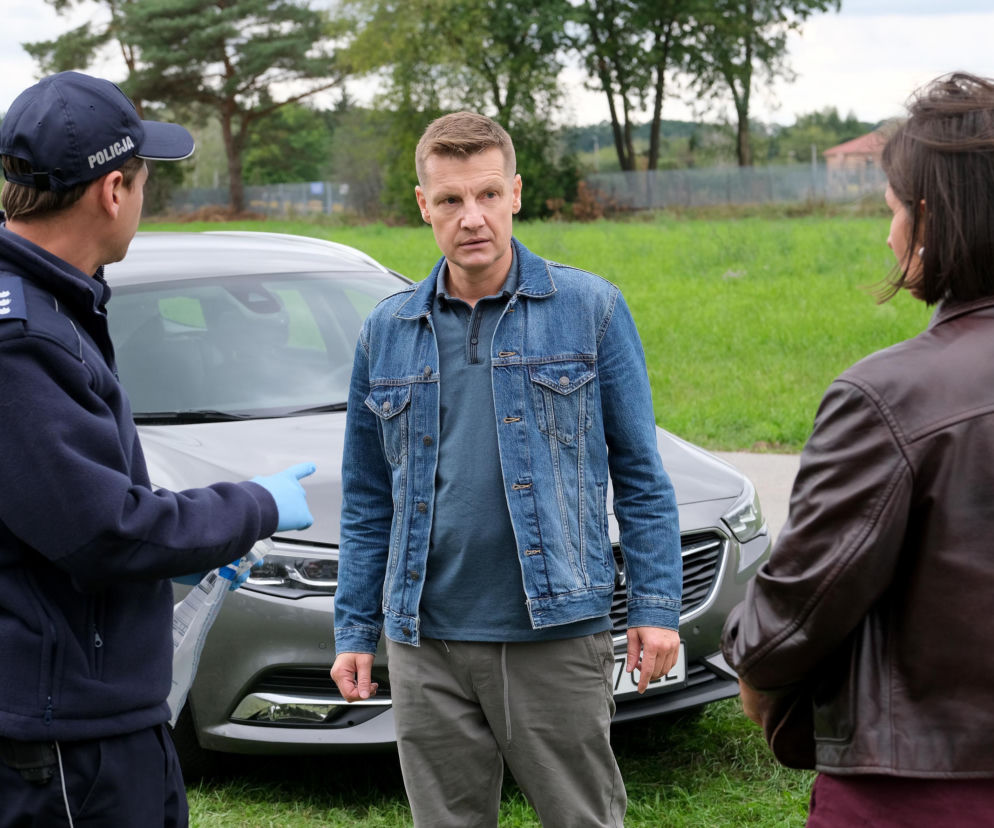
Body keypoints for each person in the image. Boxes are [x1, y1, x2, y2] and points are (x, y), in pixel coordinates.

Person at [331, 111, 682, 827]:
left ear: (516, 193)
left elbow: (642, 476)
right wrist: (353, 628)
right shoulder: (386, 331)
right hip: (425, 641)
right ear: (424, 206)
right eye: (453, 200)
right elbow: (369, 500)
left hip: (554, 634)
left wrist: (655, 608)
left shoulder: (590, 310)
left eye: (488, 195)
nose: (473, 218)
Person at [0, 71, 316, 827]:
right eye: (145, 182)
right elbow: (100, 529)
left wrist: (188, 543)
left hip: (75, 713)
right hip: (66, 742)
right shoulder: (24, 341)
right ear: (114, 189)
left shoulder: (46, 303)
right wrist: (253, 505)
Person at [721, 72, 994, 826]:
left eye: (893, 210)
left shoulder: (890, 397)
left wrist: (752, 658)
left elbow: (797, 608)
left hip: (916, 792)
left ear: (931, 219)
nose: (888, 234)